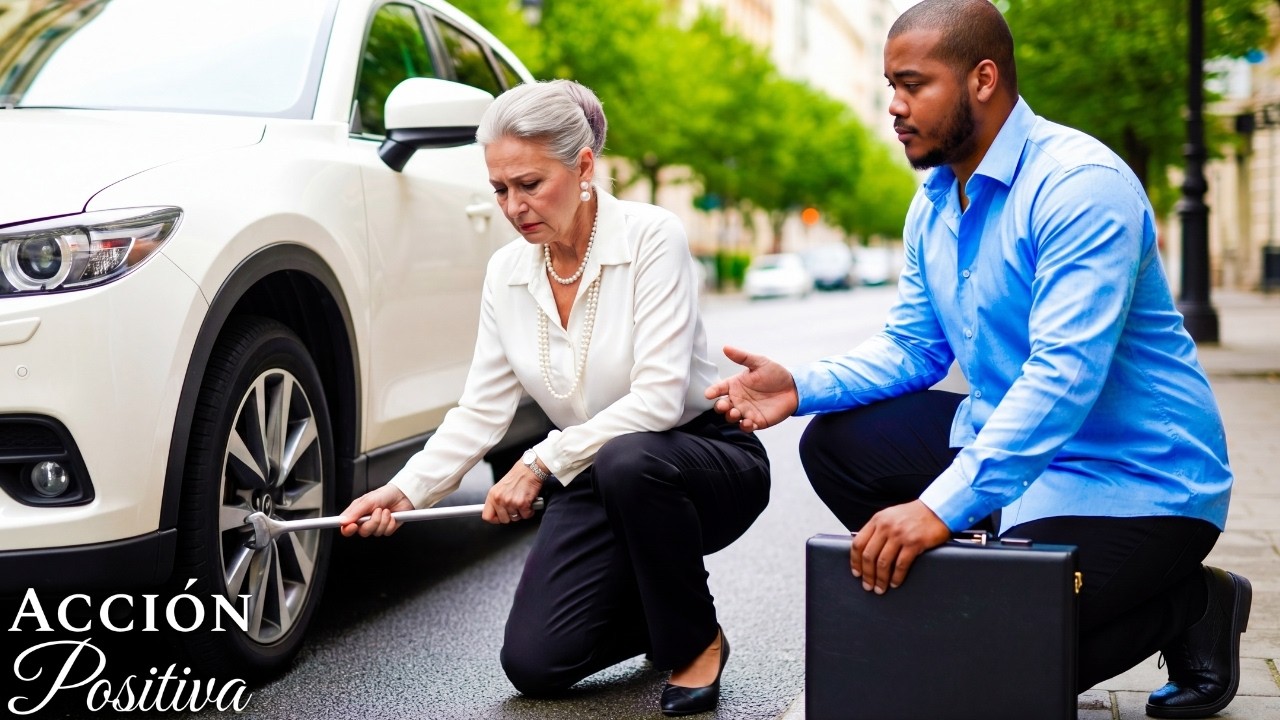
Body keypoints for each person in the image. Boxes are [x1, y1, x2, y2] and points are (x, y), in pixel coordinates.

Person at [705, 1, 1250, 717]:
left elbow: (1063, 379)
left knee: (992, 672)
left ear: (983, 79)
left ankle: (1191, 601)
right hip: (1018, 457)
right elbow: (914, 347)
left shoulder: (1080, 187)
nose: (893, 109)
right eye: (890, 87)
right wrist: (799, 386)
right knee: (841, 445)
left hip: (1138, 481)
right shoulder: (934, 201)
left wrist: (937, 509)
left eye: (912, 85)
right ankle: (988, 573)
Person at [338, 79, 770, 717]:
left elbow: (655, 401)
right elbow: (482, 409)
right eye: (499, 189)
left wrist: (540, 463)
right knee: (535, 663)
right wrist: (403, 493)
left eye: (530, 184)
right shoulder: (507, 273)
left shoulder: (654, 236)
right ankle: (661, 607)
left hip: (699, 461)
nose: (513, 206)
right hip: (597, 471)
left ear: (584, 166)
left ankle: (695, 640)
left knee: (631, 460)